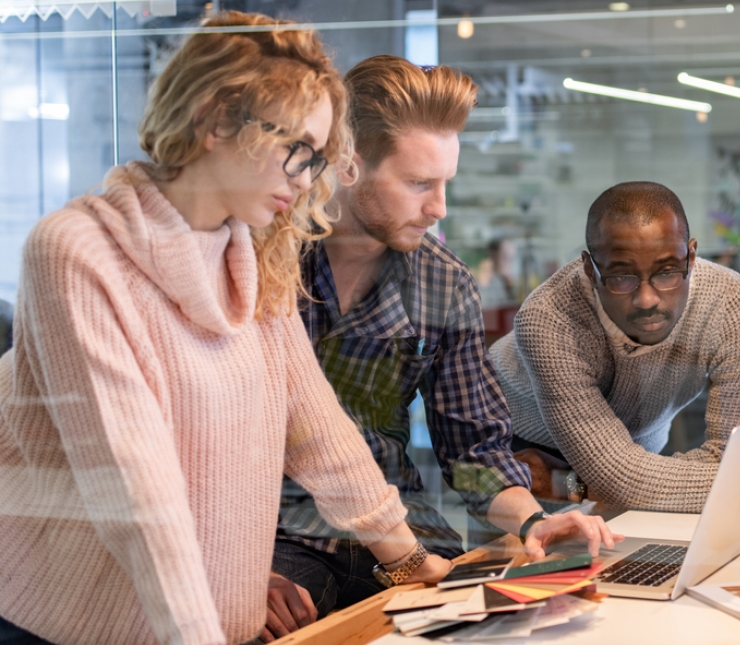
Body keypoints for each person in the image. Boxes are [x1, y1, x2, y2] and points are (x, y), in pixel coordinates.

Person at [0, 13, 452, 645]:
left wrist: (407, 561)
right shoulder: (78, 251)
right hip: (87, 627)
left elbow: (320, 433)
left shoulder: (251, 254)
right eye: (297, 150)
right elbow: (137, 493)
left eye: (316, 159)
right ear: (216, 121)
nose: (305, 181)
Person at [271, 55, 617, 634]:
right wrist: (233, 570)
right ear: (350, 165)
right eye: (418, 183)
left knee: (522, 625)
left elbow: (473, 450)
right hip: (282, 537)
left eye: (445, 183)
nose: (439, 208)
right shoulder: (267, 263)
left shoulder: (443, 282)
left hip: (407, 534)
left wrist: (534, 521)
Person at [491, 182, 740, 514]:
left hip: (640, 461)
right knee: (509, 575)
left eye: (668, 272)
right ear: (589, 268)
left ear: (692, 256)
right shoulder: (548, 318)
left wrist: (589, 485)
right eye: (621, 277)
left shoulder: (732, 301)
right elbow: (618, 480)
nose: (648, 299)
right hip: (510, 457)